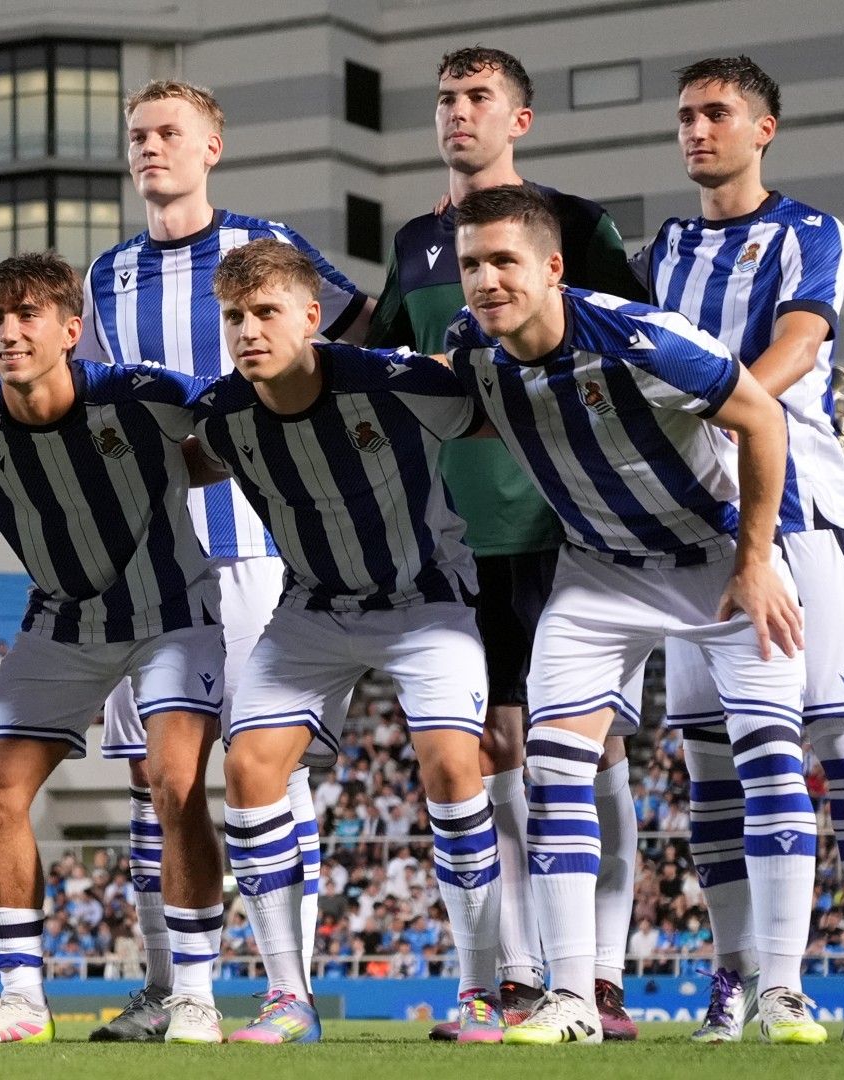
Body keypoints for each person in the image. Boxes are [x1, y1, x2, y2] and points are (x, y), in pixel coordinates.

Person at [444, 184, 823, 1045]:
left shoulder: (643, 340)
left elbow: (762, 421)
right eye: (472, 263)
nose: (486, 279)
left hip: (721, 561)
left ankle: (784, 991)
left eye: (505, 260)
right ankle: (572, 996)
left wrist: (759, 562)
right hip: (599, 572)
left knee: (768, 758)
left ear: (552, 267)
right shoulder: (472, 350)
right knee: (555, 767)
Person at [75, 78, 369, 1040]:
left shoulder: (262, 242)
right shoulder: (106, 273)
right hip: (145, 548)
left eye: (170, 133)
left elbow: (353, 326)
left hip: (254, 537)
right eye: (139, 135)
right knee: (151, 777)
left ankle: (292, 988)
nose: (150, 147)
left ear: (212, 148)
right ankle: (170, 989)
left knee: (269, 764)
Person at [366, 46, 650, 1039]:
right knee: (500, 754)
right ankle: (524, 978)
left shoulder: (578, 227)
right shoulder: (412, 245)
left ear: (519, 118)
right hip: (460, 535)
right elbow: (384, 363)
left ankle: (603, 974)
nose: (458, 112)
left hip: (573, 526)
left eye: (479, 97)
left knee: (587, 750)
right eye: (446, 97)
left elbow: (639, 344)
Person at [641, 55, 844, 1043]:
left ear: (763, 129)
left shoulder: (807, 232)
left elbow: (800, 343)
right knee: (710, 763)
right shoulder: (662, 248)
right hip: (690, 533)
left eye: (717, 113)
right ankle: (733, 975)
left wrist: (723, 405)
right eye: (686, 116)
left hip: (801, 516)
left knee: (839, 734)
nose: (697, 129)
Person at [0, 252, 227, 1045]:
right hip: (60, 623)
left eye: (27, 317)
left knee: (173, 779)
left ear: (70, 329)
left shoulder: (139, 393)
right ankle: (22, 999)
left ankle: (193, 996)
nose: (9, 333)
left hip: (170, 611)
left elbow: (235, 417)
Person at [196, 240, 498, 1043]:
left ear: (310, 316)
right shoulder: (223, 414)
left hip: (425, 598)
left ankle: (480, 993)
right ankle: (288, 999)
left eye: (265, 313)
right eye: (234, 316)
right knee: (248, 767)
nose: (248, 330)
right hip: (312, 608)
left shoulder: (392, 381)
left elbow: (492, 413)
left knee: (451, 764)